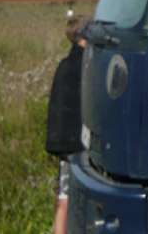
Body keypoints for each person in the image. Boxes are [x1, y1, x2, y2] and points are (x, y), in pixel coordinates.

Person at [46, 15, 88, 234]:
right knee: (73, 198)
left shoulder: (64, 65)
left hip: (63, 142)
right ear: (84, 37)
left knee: (64, 196)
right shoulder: (86, 66)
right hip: (78, 144)